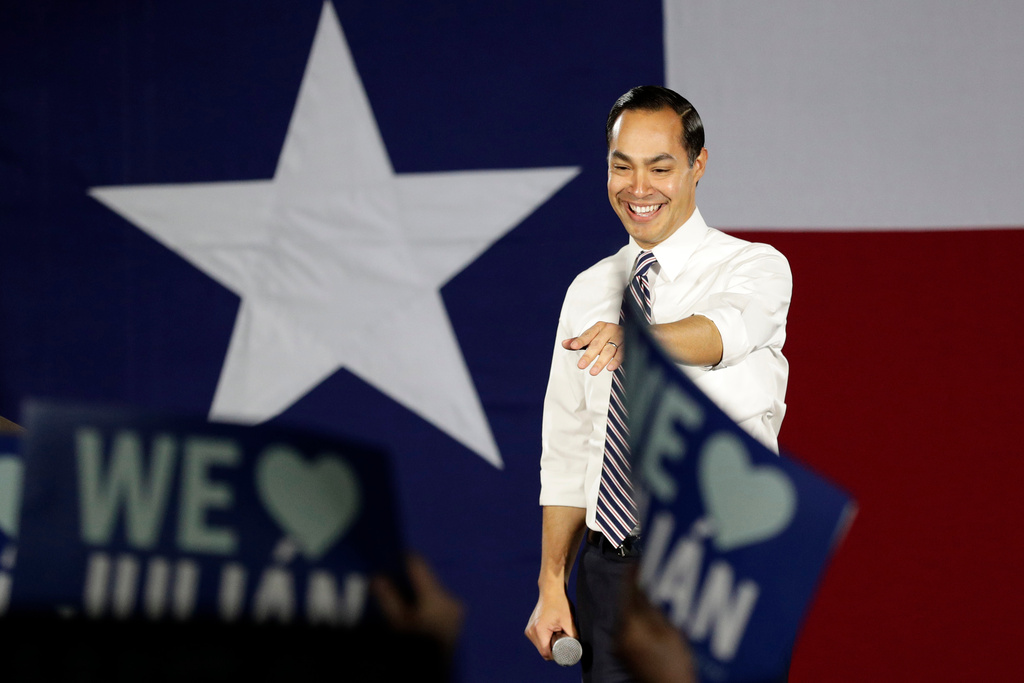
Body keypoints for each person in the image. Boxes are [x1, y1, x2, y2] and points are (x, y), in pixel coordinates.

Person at [524, 85, 791, 682]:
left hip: (720, 569)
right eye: (622, 167)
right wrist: (551, 583)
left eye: (659, 167)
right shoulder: (587, 290)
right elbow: (568, 449)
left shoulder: (755, 267)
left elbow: (725, 332)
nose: (638, 188)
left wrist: (637, 340)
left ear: (698, 165)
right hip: (610, 574)